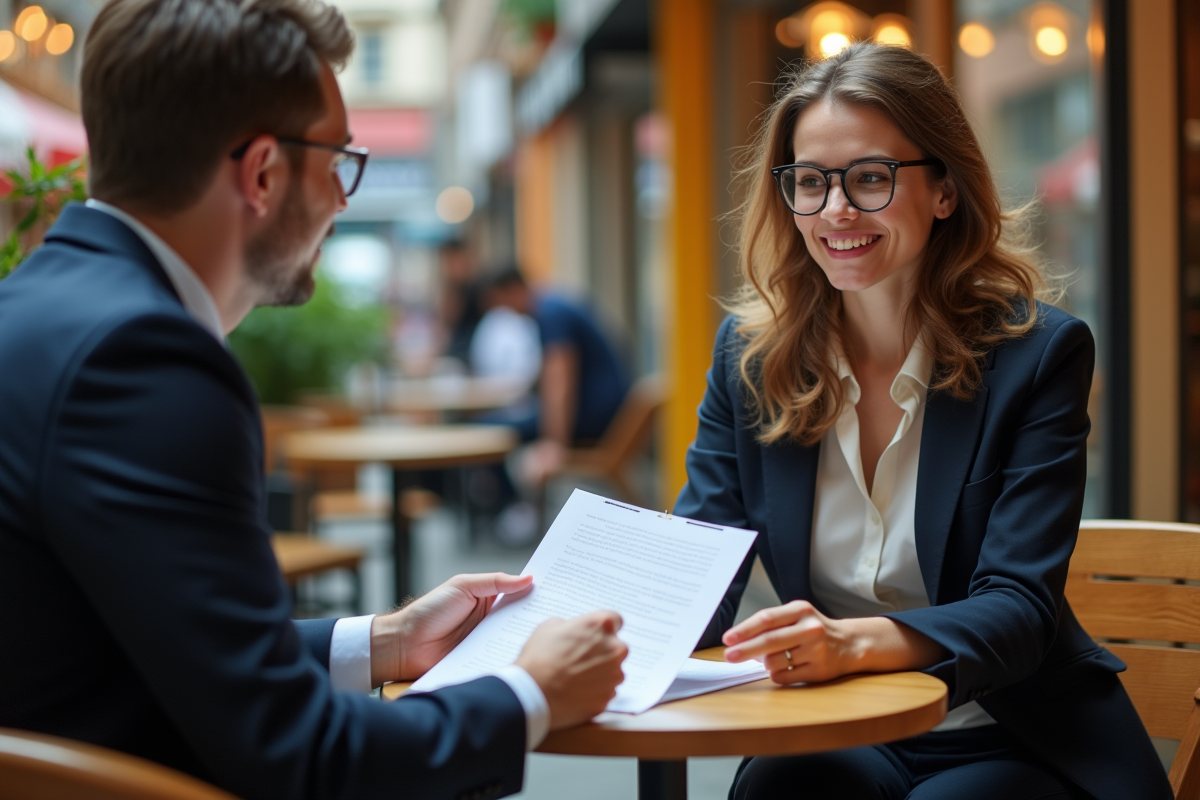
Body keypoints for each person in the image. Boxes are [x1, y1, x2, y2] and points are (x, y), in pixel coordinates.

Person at [0, 1, 627, 799]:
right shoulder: (143, 359)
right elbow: (301, 757)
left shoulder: (45, 307)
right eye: (337, 160)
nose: (341, 197)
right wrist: (532, 693)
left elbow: (157, 647)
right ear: (262, 173)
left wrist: (387, 641)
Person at [673, 43, 1169, 800]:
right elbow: (694, 573)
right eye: (810, 182)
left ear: (944, 190)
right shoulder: (749, 359)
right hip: (839, 725)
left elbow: (1019, 610)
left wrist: (850, 644)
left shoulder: (1037, 357)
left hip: (1013, 731)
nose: (835, 208)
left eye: (870, 178)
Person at [480, 265, 631, 482]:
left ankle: (507, 507)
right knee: (501, 423)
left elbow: (560, 383)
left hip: (597, 416)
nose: (502, 311)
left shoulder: (551, 314)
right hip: (602, 410)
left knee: (492, 431)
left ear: (513, 289)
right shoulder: (552, 306)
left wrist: (554, 444)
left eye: (499, 302)